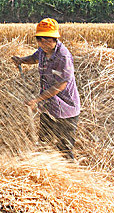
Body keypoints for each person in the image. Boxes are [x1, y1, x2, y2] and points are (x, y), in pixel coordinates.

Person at [11, 18, 81, 159]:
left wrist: (36, 99)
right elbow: (34, 58)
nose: (43, 44)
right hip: (49, 106)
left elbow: (61, 85)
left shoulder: (63, 57)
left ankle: (71, 174)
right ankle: (45, 170)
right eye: (40, 40)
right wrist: (22, 60)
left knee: (64, 147)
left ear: (54, 39)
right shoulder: (43, 51)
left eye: (47, 40)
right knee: (44, 142)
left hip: (66, 109)